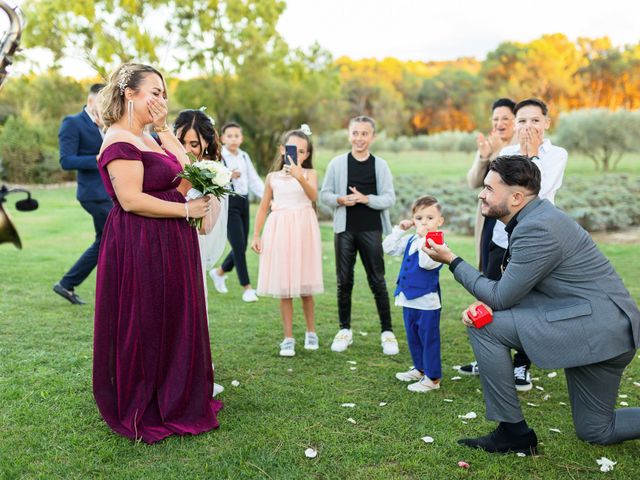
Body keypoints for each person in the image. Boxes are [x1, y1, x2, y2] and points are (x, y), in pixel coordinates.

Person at [425, 155, 640, 455]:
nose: (481, 194)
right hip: (607, 330)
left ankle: (513, 433)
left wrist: (452, 260)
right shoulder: (537, 218)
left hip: (596, 327)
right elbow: (521, 290)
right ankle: (516, 433)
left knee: (485, 328)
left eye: (489, 188)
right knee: (596, 430)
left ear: (515, 197)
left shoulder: (537, 227)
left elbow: (501, 297)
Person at [93, 63, 222, 444]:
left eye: (164, 94)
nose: (161, 100)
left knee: (175, 315)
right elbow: (131, 200)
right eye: (154, 92)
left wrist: (166, 130)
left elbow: (190, 172)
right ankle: (146, 400)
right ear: (129, 93)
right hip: (141, 242)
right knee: (146, 317)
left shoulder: (150, 137)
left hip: (171, 241)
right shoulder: (118, 139)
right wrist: (185, 210)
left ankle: (177, 392)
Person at [458, 98, 568, 391]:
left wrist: (532, 155)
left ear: (546, 122)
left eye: (534, 120)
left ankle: (522, 366)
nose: (527, 126)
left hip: (534, 244)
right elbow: (494, 194)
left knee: (528, 304)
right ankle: (490, 357)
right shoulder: (505, 153)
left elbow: (536, 193)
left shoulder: (557, 155)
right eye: (521, 121)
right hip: (500, 238)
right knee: (491, 297)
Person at [320, 115, 399, 355]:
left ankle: (387, 332)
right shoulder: (337, 164)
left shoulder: (380, 165)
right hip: (344, 230)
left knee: (377, 280)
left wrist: (366, 199)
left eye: (364, 134)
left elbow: (389, 198)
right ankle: (344, 330)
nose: (359, 138)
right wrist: (340, 200)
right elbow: (324, 195)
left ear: (372, 137)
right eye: (355, 133)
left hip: (372, 229)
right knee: (344, 282)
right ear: (349, 135)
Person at [251, 127, 323, 356]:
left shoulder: (309, 173)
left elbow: (313, 197)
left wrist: (299, 175)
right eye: (294, 149)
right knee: (284, 286)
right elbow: (263, 207)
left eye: (303, 151)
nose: (298, 155)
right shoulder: (272, 178)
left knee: (305, 285)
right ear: (283, 150)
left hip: (303, 228)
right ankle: (288, 337)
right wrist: (256, 234)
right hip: (280, 228)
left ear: (307, 154)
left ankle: (311, 331)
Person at [173, 108, 227, 398]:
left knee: (191, 312)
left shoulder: (212, 172)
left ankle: (195, 373)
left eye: (193, 144)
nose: (186, 150)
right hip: (161, 245)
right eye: (181, 141)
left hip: (191, 248)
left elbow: (206, 228)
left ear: (205, 144)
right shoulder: (163, 164)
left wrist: (201, 192)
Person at [53, 83, 112, 305]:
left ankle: (67, 284)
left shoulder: (105, 124)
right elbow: (66, 160)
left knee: (104, 240)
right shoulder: (72, 122)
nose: (107, 107)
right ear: (91, 100)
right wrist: (98, 159)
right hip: (92, 193)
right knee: (115, 236)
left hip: (108, 192)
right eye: (103, 102)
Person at [383, 195, 444, 392]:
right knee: (413, 337)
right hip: (408, 299)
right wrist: (400, 231)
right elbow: (389, 248)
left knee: (428, 339)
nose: (424, 222)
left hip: (426, 302)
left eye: (430, 218)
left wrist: (425, 238)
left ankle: (433, 378)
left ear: (439, 221)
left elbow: (426, 263)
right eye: (419, 218)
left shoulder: (437, 243)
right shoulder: (411, 239)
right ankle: (420, 369)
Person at [210, 122, 264, 303]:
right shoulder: (219, 157)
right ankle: (247, 288)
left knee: (241, 245)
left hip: (244, 202)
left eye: (237, 136)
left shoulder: (244, 156)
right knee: (239, 246)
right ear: (223, 138)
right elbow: (213, 180)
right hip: (228, 203)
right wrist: (227, 175)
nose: (233, 139)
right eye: (230, 136)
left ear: (241, 138)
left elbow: (254, 180)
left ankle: (219, 272)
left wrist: (268, 197)